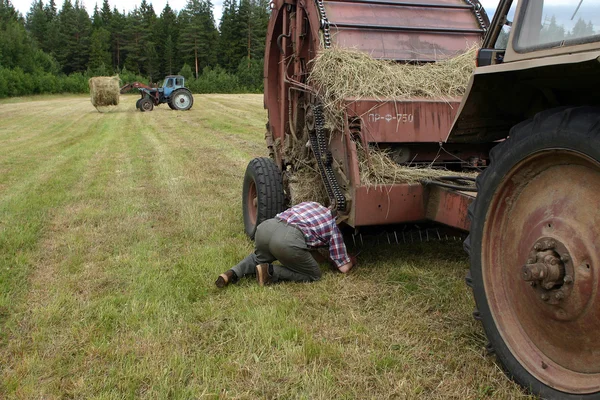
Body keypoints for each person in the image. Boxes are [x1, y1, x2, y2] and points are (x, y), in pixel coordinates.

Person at [215, 201, 354, 288]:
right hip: (287, 240)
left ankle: (231, 273)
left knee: (258, 257)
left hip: (266, 228)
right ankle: (269, 272)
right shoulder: (332, 226)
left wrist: (322, 258)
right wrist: (350, 260)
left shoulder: (312, 204)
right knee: (314, 274)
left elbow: (308, 247)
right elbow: (344, 268)